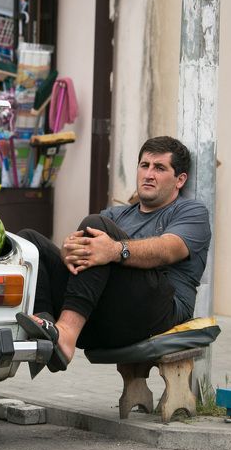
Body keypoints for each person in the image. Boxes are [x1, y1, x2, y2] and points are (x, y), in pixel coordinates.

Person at [15, 136, 211, 376]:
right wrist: (69, 251)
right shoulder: (116, 214)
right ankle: (49, 331)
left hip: (160, 315)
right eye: (144, 165)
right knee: (29, 242)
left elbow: (169, 248)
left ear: (180, 180)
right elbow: (80, 248)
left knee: (96, 228)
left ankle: (67, 332)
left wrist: (115, 250)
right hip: (104, 317)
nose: (149, 174)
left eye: (159, 168)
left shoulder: (191, 212)